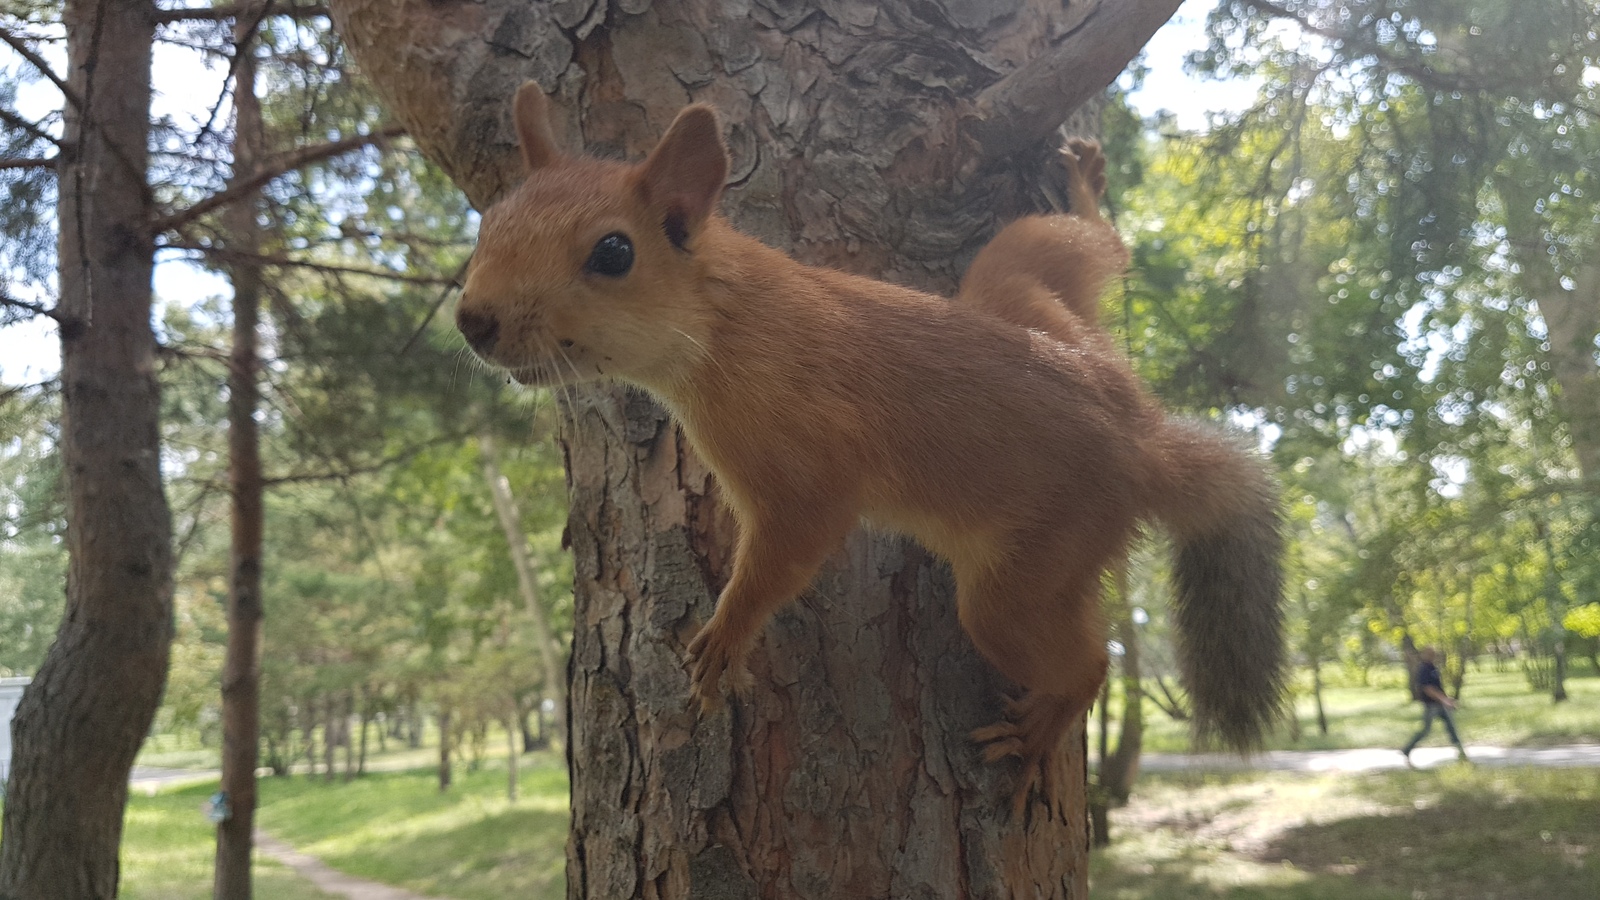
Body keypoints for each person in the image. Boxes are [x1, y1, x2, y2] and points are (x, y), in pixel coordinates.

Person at [1402, 647, 1468, 766]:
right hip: (1431, 705)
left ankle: (1461, 753)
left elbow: (1438, 687)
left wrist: (1447, 699)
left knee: (1451, 728)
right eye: (1430, 654)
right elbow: (1428, 689)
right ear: (1424, 654)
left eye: (1434, 654)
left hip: (1441, 705)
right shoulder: (1424, 669)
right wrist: (1444, 700)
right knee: (1425, 730)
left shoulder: (1433, 668)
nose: (1433, 656)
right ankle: (1407, 749)